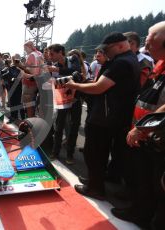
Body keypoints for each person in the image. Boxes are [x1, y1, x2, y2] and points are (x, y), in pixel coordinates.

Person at [65, 32, 140, 200]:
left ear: (120, 45)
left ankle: (95, 188)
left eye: (107, 49)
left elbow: (99, 87)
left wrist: (74, 85)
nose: (105, 52)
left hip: (104, 117)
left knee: (94, 153)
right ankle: (94, 180)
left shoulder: (121, 62)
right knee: (101, 152)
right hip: (113, 115)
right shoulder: (129, 59)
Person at [110, 21, 165, 230]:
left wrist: (142, 127)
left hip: (155, 136)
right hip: (149, 136)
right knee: (144, 178)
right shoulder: (159, 66)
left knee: (154, 183)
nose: (146, 43)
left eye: (151, 38)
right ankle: (140, 213)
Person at [46, 44, 82, 164]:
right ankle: (55, 152)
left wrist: (57, 70)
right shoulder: (53, 67)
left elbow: (75, 71)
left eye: (52, 54)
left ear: (61, 52)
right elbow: (51, 83)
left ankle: (70, 154)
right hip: (62, 100)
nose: (50, 57)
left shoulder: (73, 59)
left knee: (74, 127)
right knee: (59, 126)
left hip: (76, 99)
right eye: (49, 54)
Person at [21, 41, 43, 118]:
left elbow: (32, 72)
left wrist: (23, 72)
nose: (24, 50)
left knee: (29, 104)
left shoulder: (31, 55)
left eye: (25, 48)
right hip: (38, 82)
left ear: (28, 47)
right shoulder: (40, 54)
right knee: (34, 104)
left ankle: (30, 122)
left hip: (29, 83)